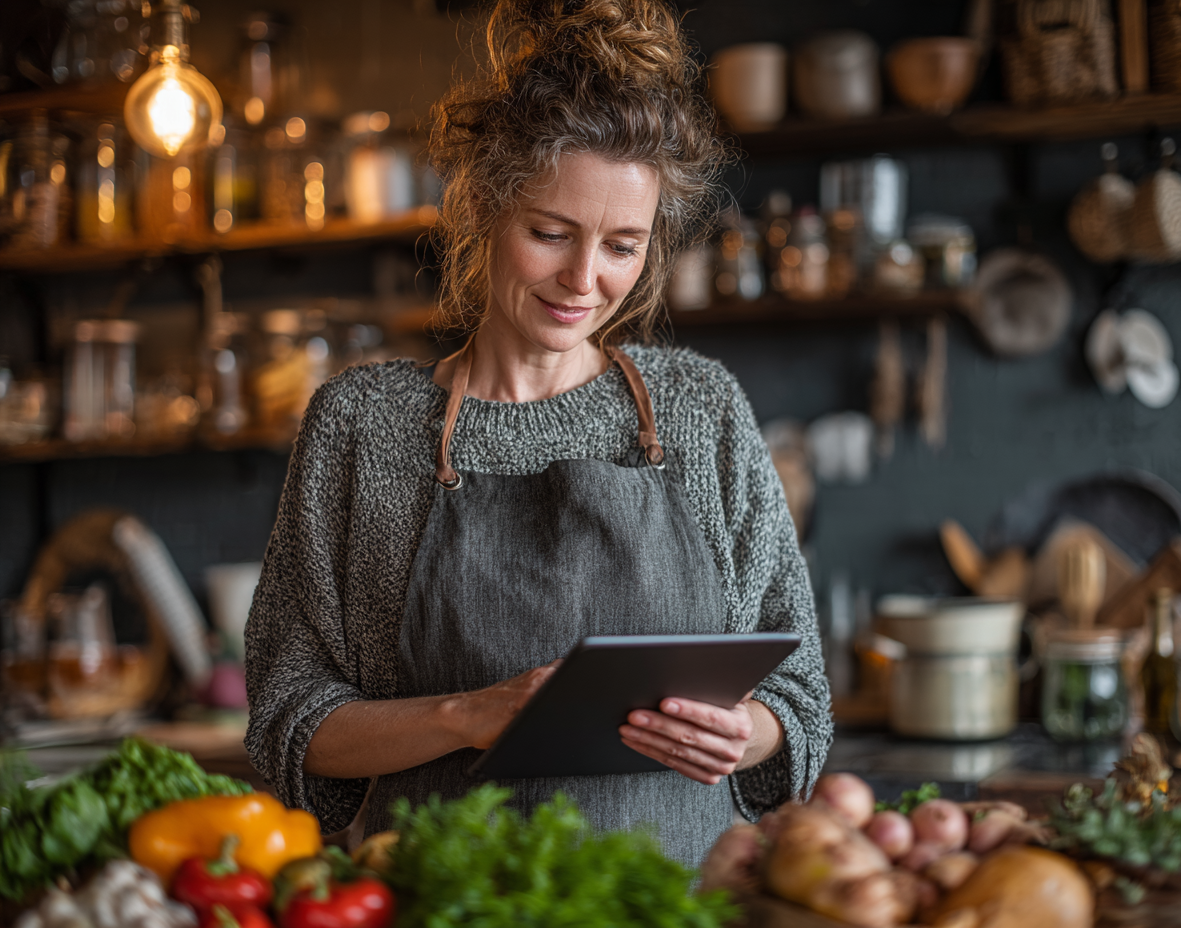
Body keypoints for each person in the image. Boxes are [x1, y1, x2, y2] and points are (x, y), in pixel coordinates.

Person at [244, 0, 831, 867]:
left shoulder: (698, 410)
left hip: (674, 907)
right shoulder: (365, 429)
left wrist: (746, 732)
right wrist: (464, 714)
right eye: (551, 233)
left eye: (623, 247)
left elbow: (802, 698)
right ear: (484, 204)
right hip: (445, 905)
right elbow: (289, 720)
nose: (584, 281)